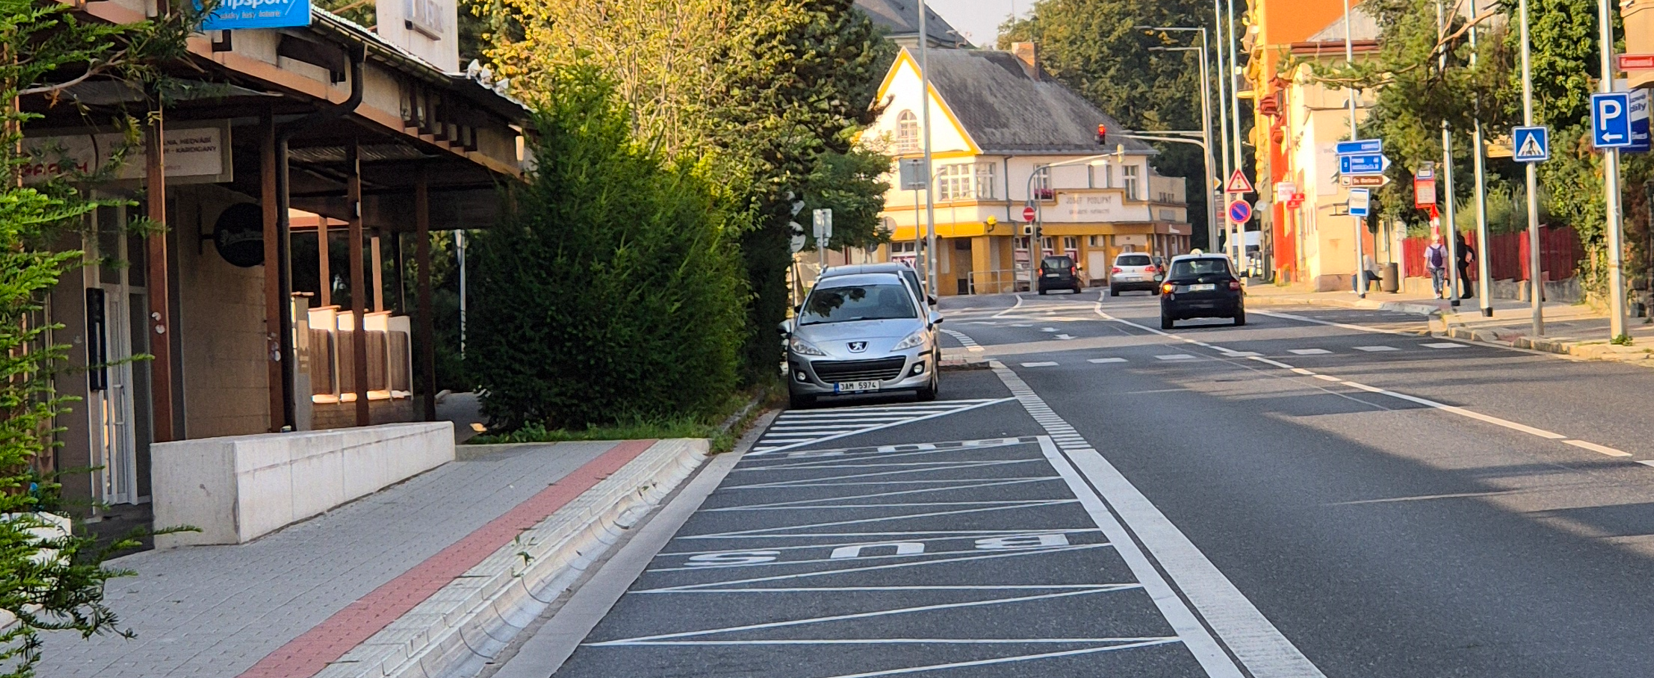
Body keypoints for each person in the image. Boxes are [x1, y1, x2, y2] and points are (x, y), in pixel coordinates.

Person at [1425, 234, 1448, 299]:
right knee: (1440, 279)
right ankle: (1440, 290)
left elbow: (1427, 259)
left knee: (1434, 280)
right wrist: (1446, 268)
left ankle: (1437, 293)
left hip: (1432, 266)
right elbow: (1445, 258)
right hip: (1441, 266)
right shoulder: (1442, 247)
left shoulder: (1428, 248)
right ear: (1438, 239)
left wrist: (1425, 267)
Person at [1455, 231, 1475, 300]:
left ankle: (1466, 293)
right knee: (1464, 277)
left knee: (1463, 277)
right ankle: (1467, 292)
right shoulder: (1464, 243)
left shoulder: (1458, 244)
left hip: (1460, 263)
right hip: (1465, 262)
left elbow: (1459, 254)